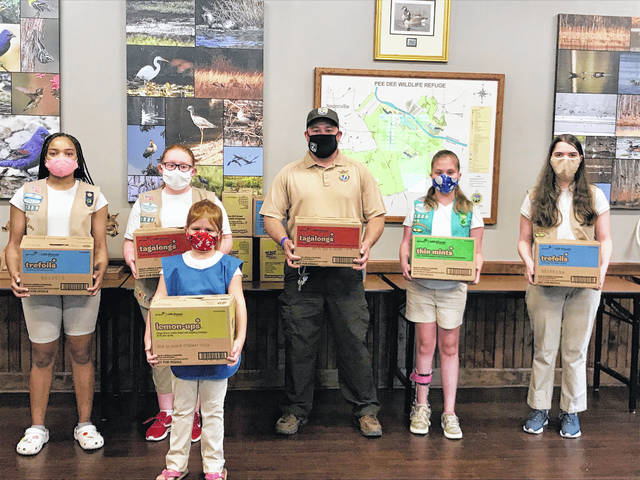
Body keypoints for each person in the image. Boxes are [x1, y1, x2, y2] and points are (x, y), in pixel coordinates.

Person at [260, 107, 386, 437]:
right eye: (315, 129)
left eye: (329, 129)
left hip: (347, 274)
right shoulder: (290, 173)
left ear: (339, 135)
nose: (322, 134)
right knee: (299, 343)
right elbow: (271, 217)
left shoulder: (358, 171)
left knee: (353, 342)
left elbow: (376, 217)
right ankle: (295, 410)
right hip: (302, 273)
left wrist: (366, 244)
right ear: (306, 135)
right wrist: (284, 241)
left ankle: (366, 410)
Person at [6, 132, 108, 455]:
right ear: (44, 158)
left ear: (77, 159)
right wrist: (15, 274)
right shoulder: (26, 193)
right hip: (38, 287)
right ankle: (37, 427)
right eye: (53, 152)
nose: (60, 157)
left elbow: (102, 248)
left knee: (81, 353)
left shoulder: (94, 196)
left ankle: (85, 423)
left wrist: (100, 271)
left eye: (67, 152)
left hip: (83, 286)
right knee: (42, 355)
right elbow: (13, 245)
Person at [123, 144, 233, 442]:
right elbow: (131, 241)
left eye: (184, 166)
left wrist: (211, 267)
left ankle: (194, 413)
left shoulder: (208, 200)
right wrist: (132, 258)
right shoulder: (145, 201)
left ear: (193, 170)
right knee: (161, 352)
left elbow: (226, 240)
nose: (177, 171)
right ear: (160, 168)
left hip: (200, 292)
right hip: (154, 290)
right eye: (171, 165)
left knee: (195, 348)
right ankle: (167, 412)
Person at [518, 134, 612, 438]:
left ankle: (571, 411)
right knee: (544, 349)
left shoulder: (595, 196)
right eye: (559, 154)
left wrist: (602, 270)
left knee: (575, 350)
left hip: (584, 286)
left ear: (581, 159)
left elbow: (606, 239)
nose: (565, 160)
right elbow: (523, 240)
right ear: (550, 158)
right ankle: (539, 408)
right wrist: (528, 263)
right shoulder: (534, 196)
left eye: (572, 154)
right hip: (544, 283)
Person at [145, 199, 246, 480]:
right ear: (186, 230)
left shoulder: (228, 265)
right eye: (196, 227)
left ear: (219, 233)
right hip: (182, 354)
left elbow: (239, 303)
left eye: (209, 229)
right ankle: (175, 465)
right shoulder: (173, 265)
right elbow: (158, 302)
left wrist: (239, 340)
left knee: (213, 412)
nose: (203, 234)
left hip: (219, 356)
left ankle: (214, 466)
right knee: (182, 411)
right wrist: (149, 338)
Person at [398, 150, 484, 439]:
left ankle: (449, 411)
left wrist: (475, 270)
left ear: (459, 175)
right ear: (431, 174)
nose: (444, 177)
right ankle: (421, 406)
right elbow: (406, 244)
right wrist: (404, 262)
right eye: (438, 172)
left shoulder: (470, 210)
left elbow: (477, 252)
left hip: (453, 290)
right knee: (424, 346)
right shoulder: (419, 206)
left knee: (449, 348)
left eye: (450, 172)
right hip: (422, 287)